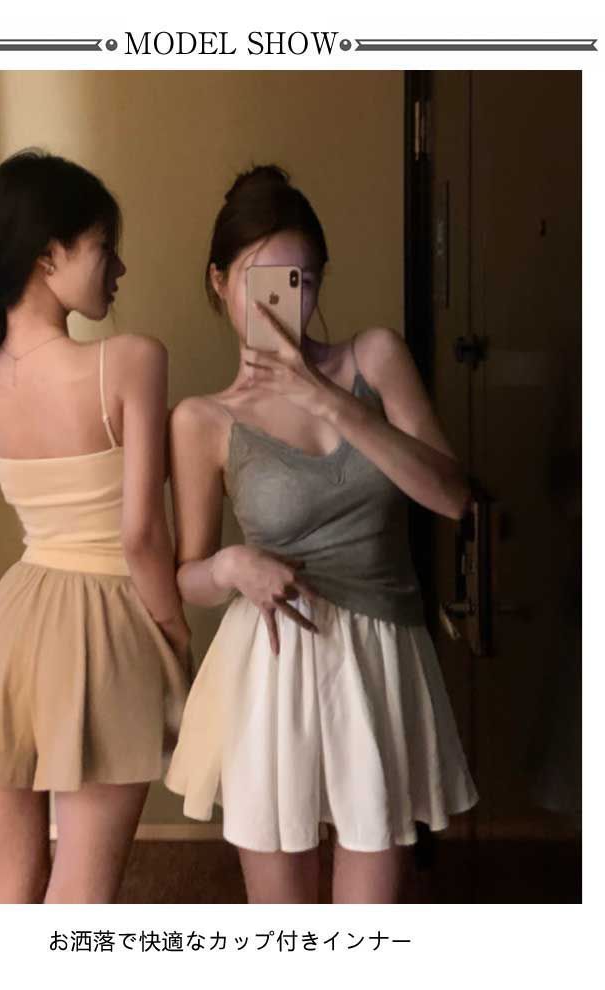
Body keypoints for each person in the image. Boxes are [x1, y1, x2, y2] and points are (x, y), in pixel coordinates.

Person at [163, 165, 479, 904]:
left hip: (381, 659)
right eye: (261, 281)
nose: (284, 302)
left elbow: (453, 497)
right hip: (271, 670)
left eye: (300, 281)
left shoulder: (375, 358)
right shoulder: (203, 419)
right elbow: (188, 574)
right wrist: (232, 565)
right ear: (219, 281)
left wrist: (331, 403)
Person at [0, 150, 190, 903]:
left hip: (8, 632)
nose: (119, 267)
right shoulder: (132, 360)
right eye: (105, 246)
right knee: (82, 891)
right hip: (107, 628)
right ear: (49, 255)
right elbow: (141, 534)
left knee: (5, 884)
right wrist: (175, 633)